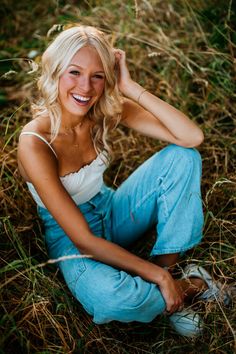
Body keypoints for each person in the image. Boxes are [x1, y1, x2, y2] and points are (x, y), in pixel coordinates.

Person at [17, 25, 230, 337]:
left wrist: (130, 88)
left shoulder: (101, 111)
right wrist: (157, 276)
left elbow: (191, 137)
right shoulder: (34, 142)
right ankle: (191, 286)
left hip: (113, 210)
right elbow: (84, 240)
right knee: (112, 297)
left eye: (98, 75)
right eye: (74, 72)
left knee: (184, 158)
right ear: (55, 72)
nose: (86, 87)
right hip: (71, 240)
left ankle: (169, 281)